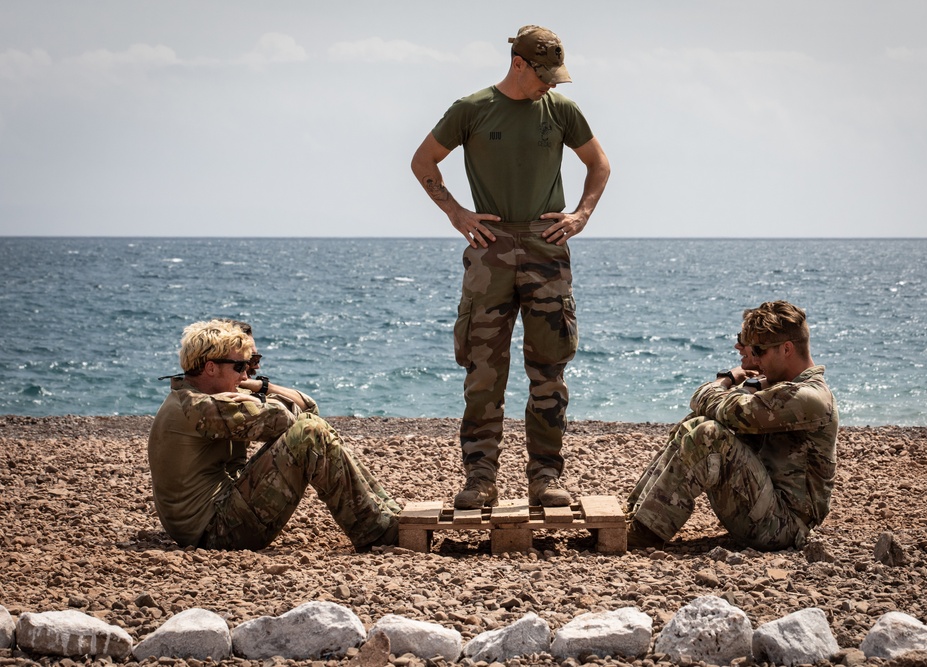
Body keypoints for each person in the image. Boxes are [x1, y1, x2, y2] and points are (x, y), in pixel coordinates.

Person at [410, 25, 611, 509]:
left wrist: (580, 215)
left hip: (546, 249)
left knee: (549, 370)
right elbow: (423, 162)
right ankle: (480, 479)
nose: (551, 84)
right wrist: (457, 213)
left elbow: (599, 165)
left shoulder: (561, 110)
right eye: (544, 75)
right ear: (518, 63)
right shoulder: (472, 110)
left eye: (555, 77)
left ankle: (545, 478)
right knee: (483, 372)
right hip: (489, 251)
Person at [148, 319, 400, 552]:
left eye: (247, 367)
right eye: (239, 367)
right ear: (211, 368)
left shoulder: (193, 398)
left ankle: (386, 515)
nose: (245, 375)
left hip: (212, 522)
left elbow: (308, 409)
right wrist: (260, 400)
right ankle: (376, 533)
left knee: (312, 427)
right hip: (215, 532)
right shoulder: (202, 408)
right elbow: (282, 419)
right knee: (310, 433)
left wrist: (259, 392)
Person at [626, 301, 838, 551]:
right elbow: (705, 405)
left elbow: (720, 406)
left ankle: (643, 534)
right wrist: (742, 385)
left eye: (759, 351)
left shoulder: (808, 397)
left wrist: (727, 379)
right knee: (695, 424)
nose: (755, 359)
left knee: (708, 435)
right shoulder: (776, 385)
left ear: (787, 349)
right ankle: (634, 514)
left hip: (784, 527)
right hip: (767, 510)